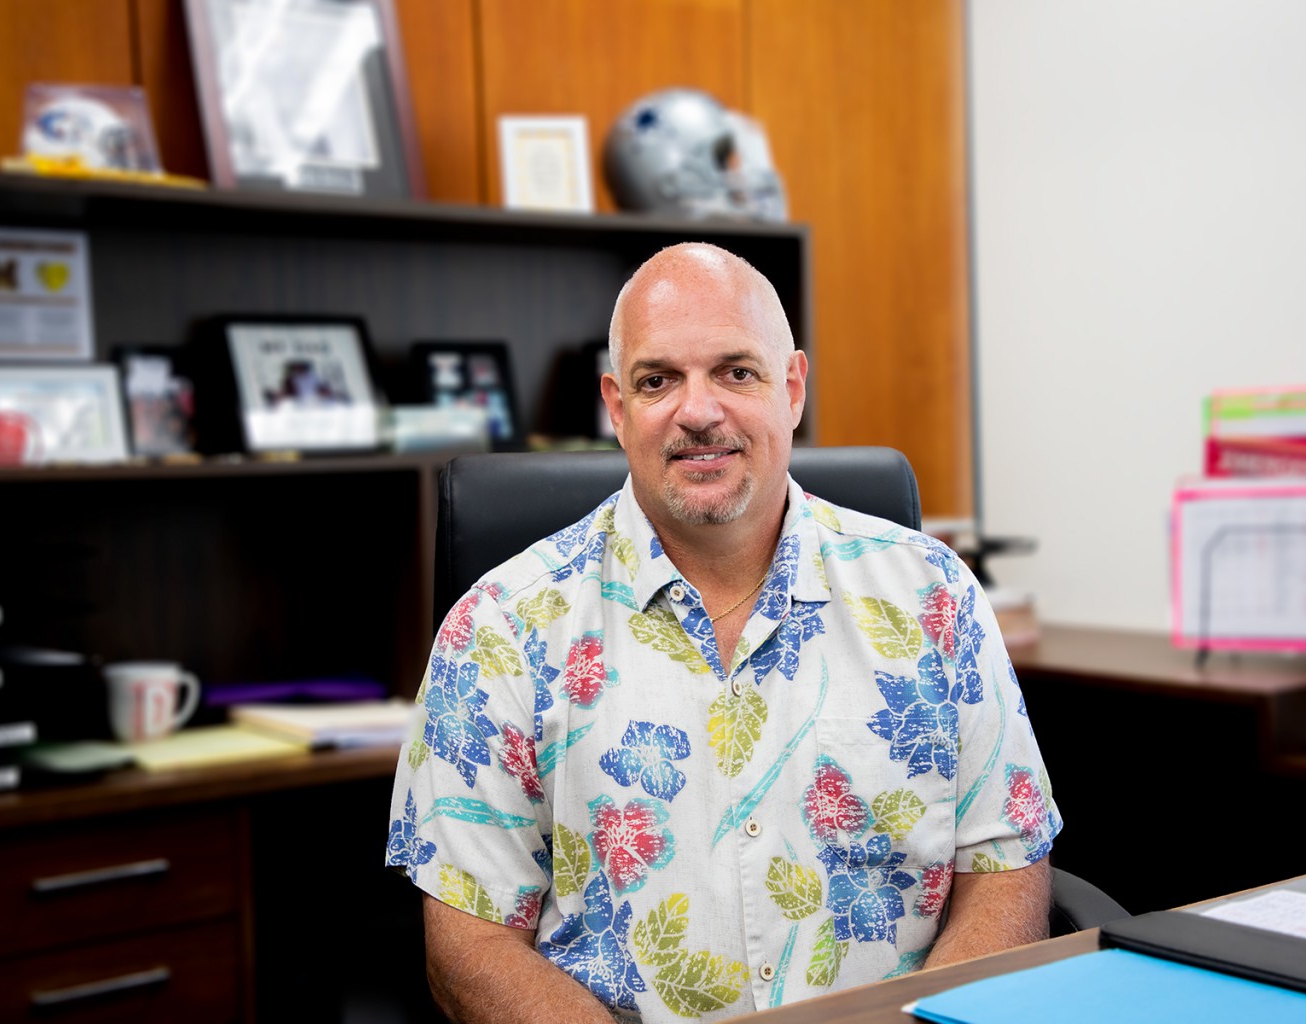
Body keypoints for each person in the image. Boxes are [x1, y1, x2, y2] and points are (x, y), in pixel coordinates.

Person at [386, 243, 1061, 1023]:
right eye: (657, 379)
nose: (698, 411)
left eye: (736, 371)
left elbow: (1006, 872)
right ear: (616, 406)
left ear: (793, 386)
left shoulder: (935, 596)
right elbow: (471, 946)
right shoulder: (497, 629)